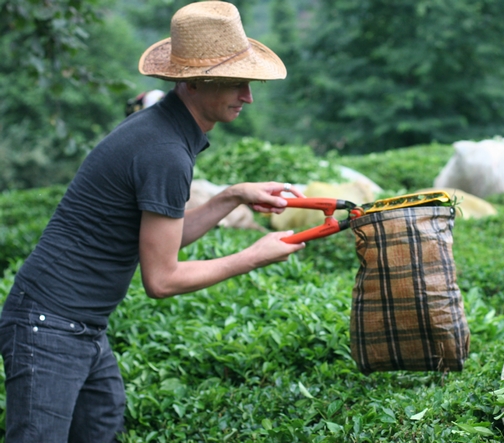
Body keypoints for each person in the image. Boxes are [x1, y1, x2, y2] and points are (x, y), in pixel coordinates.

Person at [0, 2, 306, 441]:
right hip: (49, 325)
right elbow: (161, 279)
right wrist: (253, 256)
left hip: (80, 325)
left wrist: (231, 195)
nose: (248, 96)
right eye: (238, 83)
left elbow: (162, 241)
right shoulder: (164, 150)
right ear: (200, 81)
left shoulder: (165, 131)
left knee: (101, 427)